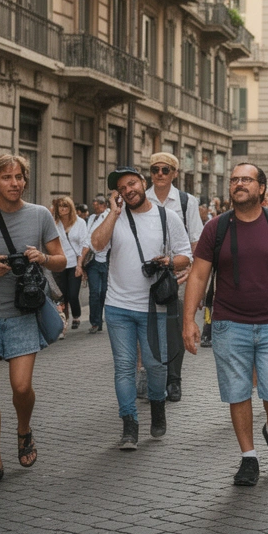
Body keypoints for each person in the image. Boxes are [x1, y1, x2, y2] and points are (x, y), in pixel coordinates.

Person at [182, 163, 268, 486]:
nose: (239, 184)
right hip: (229, 324)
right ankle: (248, 457)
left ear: (261, 188)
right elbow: (198, 275)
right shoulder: (216, 227)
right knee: (237, 392)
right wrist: (188, 321)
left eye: (246, 179)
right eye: (234, 180)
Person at [0, 154, 65, 488]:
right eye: (7, 178)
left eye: (19, 177)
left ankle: (24, 428)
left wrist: (43, 257)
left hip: (23, 312)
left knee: (20, 387)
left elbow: (62, 260)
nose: (15, 183)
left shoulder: (40, 215)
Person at [90, 167, 193, 450]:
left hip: (154, 307)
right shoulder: (112, 218)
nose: (128, 190)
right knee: (124, 368)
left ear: (143, 183)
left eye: (132, 184)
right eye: (122, 188)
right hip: (118, 307)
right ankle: (129, 425)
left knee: (155, 365)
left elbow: (186, 256)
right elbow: (96, 246)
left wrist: (168, 262)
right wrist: (113, 213)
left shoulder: (166, 217)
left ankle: (158, 405)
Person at [145, 152, 204, 403]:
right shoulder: (141, 198)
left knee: (175, 326)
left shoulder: (186, 201)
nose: (160, 174)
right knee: (147, 325)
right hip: (145, 274)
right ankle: (151, 376)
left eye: (165, 170)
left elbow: (196, 241)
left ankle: (174, 379)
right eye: (155, 169)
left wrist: (193, 273)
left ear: (175, 173)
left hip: (177, 273)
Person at [50, 196, 89, 334]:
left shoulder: (80, 223)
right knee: (62, 296)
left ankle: (76, 315)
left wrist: (80, 265)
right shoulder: (54, 223)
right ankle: (64, 322)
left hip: (74, 263)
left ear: (70, 208)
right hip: (59, 263)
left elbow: (85, 244)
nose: (63, 209)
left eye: (65, 206)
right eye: (60, 206)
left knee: (72, 294)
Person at [83, 195, 111, 334]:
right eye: (94, 206)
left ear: (104, 205)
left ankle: (100, 318)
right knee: (94, 292)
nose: (95, 208)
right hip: (93, 260)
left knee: (104, 292)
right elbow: (87, 237)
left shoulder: (110, 216)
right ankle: (95, 322)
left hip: (107, 260)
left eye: (97, 206)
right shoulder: (92, 218)